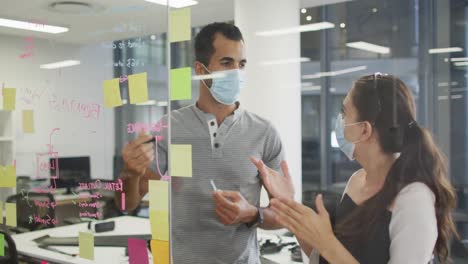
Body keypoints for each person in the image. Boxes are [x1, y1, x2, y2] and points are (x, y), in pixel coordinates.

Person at [116, 22, 294, 263]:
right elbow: (127, 204)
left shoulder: (264, 132)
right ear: (200, 70)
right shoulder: (169, 128)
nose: (237, 72)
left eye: (241, 64)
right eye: (226, 63)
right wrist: (129, 173)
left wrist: (252, 214)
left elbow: (285, 216)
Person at [257, 73, 457, 263]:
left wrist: (327, 243)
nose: (340, 121)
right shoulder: (357, 181)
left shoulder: (414, 199)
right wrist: (289, 204)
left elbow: (330, 250)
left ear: (364, 129)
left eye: (344, 113)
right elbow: (327, 258)